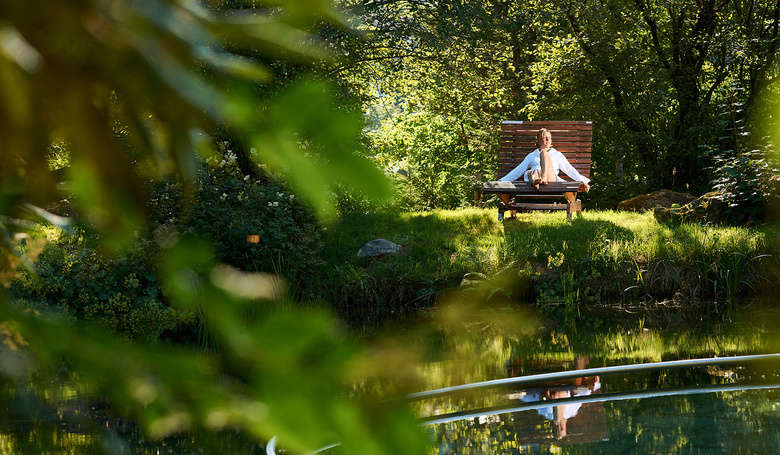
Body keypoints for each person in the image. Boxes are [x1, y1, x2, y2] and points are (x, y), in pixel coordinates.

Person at [499, 128, 590, 192]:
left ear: (551, 141)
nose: (545, 141)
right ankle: (536, 180)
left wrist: (583, 181)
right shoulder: (532, 155)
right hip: (536, 178)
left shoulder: (557, 154)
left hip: (550, 179)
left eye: (547, 139)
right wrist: (502, 181)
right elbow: (519, 169)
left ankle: (542, 178)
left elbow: (569, 169)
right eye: (542, 139)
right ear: (538, 141)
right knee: (531, 172)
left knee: (544, 153)